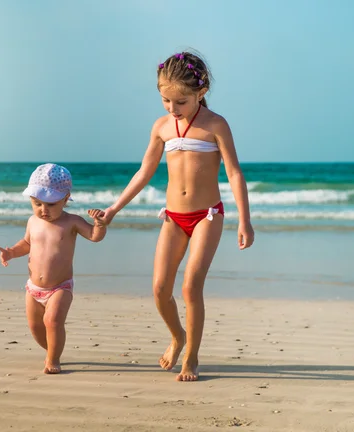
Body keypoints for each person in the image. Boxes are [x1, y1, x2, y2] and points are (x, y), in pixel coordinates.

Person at [101, 51, 254, 381]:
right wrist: (114, 209)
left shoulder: (215, 125)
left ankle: (192, 358)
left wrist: (245, 220)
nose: (172, 108)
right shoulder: (161, 128)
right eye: (165, 100)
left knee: (190, 286)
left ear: (201, 92)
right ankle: (177, 336)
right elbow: (144, 172)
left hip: (207, 216)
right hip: (173, 217)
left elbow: (234, 173)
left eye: (180, 101)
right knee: (159, 289)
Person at [0, 163, 107, 374]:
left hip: (60, 287)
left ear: (66, 199)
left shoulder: (72, 222)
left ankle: (53, 359)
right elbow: (27, 244)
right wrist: (11, 252)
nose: (43, 210)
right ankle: (53, 348)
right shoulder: (32, 221)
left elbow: (94, 237)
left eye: (51, 204)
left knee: (52, 320)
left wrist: (100, 225)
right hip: (33, 288)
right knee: (35, 326)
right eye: (37, 204)